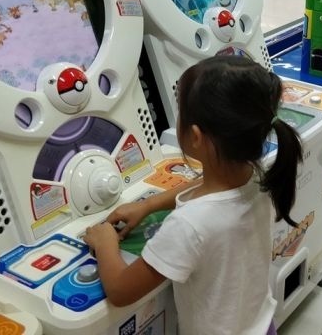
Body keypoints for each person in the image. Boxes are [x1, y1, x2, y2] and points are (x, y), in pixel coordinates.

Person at [83, 56, 303, 335]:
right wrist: (149, 204)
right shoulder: (260, 179)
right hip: (261, 326)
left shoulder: (188, 225)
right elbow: (205, 187)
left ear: (196, 136)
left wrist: (105, 242)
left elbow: (120, 290)